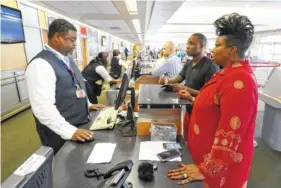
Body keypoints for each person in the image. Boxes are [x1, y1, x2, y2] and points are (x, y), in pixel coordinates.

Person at [167, 13, 258, 188]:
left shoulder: (241, 82)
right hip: (201, 156)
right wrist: (194, 99)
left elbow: (232, 133)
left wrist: (205, 169)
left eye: (217, 45)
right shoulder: (227, 73)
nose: (213, 49)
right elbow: (217, 108)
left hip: (217, 174)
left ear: (232, 50)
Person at [25, 19, 105, 154]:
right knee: (64, 171)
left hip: (78, 125)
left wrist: (87, 104)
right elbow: (43, 109)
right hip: (59, 134)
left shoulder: (67, 59)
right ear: (57, 37)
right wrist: (70, 131)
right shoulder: (40, 65)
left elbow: (75, 86)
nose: (75, 44)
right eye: (72, 40)